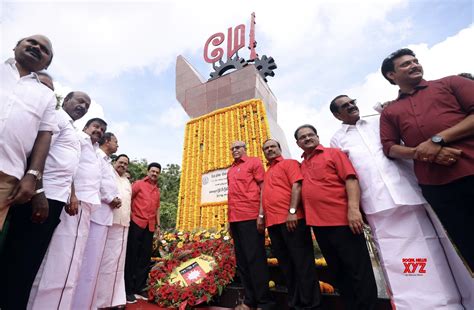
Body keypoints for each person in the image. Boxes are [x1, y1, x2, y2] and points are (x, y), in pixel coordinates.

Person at [330, 95, 461, 309]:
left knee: (432, 248)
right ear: (337, 115)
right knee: (397, 259)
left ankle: (450, 302)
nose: (352, 106)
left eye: (353, 101)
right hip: (376, 202)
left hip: (408, 192)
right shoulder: (337, 139)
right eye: (345, 106)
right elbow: (347, 173)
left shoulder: (379, 121)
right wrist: (355, 207)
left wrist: (389, 109)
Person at [379, 48, 474, 297]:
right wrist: (423, 152)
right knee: (468, 243)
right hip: (437, 187)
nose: (414, 65)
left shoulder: (451, 83)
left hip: (471, 168)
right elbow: (389, 147)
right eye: (405, 64)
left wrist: (438, 139)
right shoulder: (390, 112)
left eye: (415, 61)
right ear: (391, 75)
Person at [0, 91, 91, 309]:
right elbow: (38, 155)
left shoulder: (71, 128)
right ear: (66, 100)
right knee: (20, 256)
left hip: (56, 199)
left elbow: (66, 168)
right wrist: (38, 192)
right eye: (79, 101)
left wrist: (71, 194)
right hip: (41, 196)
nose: (83, 106)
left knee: (31, 258)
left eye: (87, 105)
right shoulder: (57, 118)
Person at [295, 124, 377, 310]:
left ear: (317, 136)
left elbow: (351, 178)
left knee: (358, 271)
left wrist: (354, 210)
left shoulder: (333, 153)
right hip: (319, 226)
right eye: (303, 137)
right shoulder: (302, 165)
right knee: (338, 272)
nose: (307, 138)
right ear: (298, 143)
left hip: (343, 221)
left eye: (310, 135)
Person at [29, 118, 107, 310]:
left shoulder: (96, 152)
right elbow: (70, 168)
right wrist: (73, 195)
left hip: (87, 207)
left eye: (102, 129)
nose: (98, 131)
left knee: (74, 262)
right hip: (73, 204)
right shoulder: (78, 139)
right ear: (85, 127)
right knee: (61, 259)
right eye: (95, 127)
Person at [0, 35, 57, 253]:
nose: (36, 47)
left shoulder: (46, 96)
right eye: (31, 42)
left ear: (47, 63)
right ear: (16, 46)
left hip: (5, 175)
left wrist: (32, 176)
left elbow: (44, 136)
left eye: (44, 49)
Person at [261, 139, 321, 309]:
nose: (270, 149)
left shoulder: (289, 163)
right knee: (287, 265)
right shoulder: (267, 172)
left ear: (279, 149)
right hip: (273, 224)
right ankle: (296, 303)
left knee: (303, 263)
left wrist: (292, 212)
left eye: (273, 146)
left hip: (292, 220)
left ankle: (312, 304)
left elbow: (297, 185)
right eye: (266, 148)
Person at [72, 132, 121, 309]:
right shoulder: (97, 157)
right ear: (107, 141)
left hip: (104, 215)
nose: (118, 145)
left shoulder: (107, 161)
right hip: (96, 214)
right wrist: (111, 198)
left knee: (94, 264)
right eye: (116, 141)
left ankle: (87, 303)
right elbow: (96, 182)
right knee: (86, 262)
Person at [227, 141, 274, 310]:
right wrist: (229, 222)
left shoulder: (254, 162)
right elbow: (231, 196)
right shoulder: (231, 170)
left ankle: (264, 302)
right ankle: (249, 301)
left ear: (244, 149)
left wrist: (261, 214)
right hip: (235, 219)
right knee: (243, 262)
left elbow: (263, 189)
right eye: (232, 148)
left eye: (238, 147)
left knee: (256, 260)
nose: (234, 150)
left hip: (251, 216)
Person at [94, 154, 132, 308]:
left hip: (123, 225)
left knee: (117, 265)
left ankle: (115, 299)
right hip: (109, 222)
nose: (122, 165)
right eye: (120, 162)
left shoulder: (127, 181)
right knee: (104, 263)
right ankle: (100, 301)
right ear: (115, 162)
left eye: (125, 164)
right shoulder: (109, 174)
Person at [125, 162, 161, 304]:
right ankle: (128, 290)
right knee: (132, 256)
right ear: (148, 171)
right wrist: (129, 216)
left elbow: (157, 208)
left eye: (157, 172)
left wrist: (158, 225)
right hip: (136, 223)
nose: (154, 174)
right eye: (152, 171)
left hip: (150, 227)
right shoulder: (139, 184)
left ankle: (139, 288)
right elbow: (129, 199)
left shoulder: (157, 190)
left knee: (145, 258)